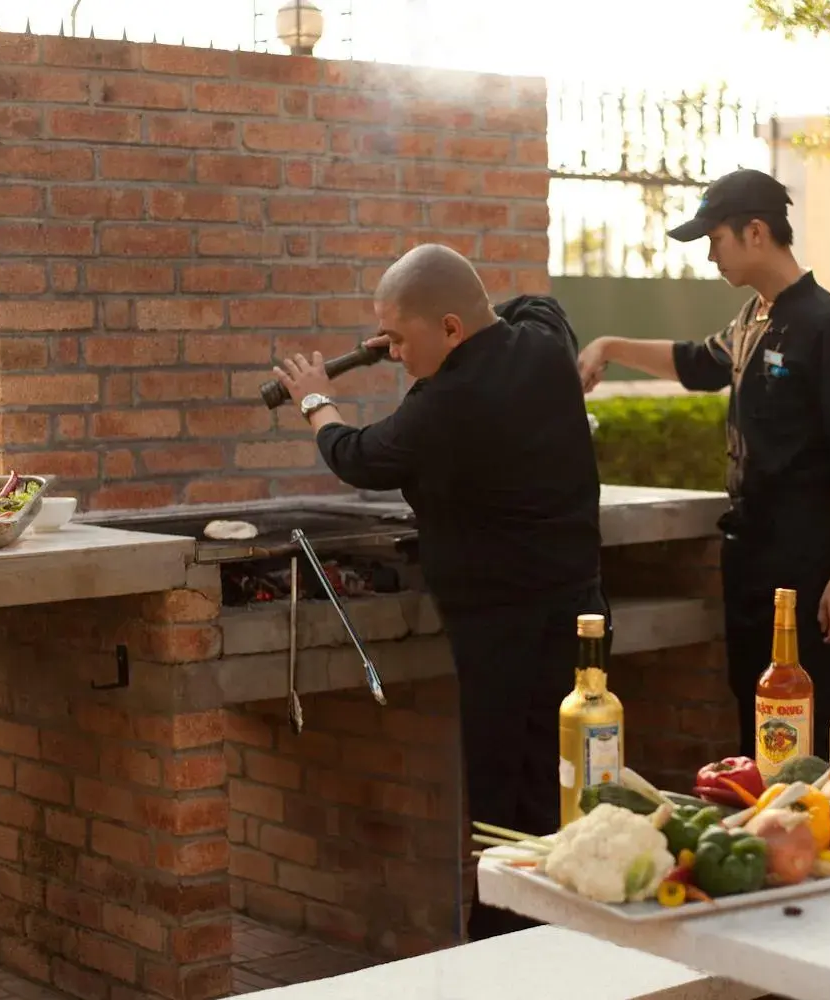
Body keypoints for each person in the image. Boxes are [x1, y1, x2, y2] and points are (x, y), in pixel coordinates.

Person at [270, 243, 606, 941]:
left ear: (450, 329)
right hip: (581, 614)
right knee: (565, 777)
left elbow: (359, 455)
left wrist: (315, 400)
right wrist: (410, 326)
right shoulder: (544, 349)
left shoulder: (447, 403)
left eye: (399, 339)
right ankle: (567, 931)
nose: (392, 353)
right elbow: (534, 307)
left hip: (502, 627)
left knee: (502, 794)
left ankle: (499, 944)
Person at [577, 168, 830, 761]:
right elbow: (696, 363)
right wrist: (609, 347)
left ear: (754, 232)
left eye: (714, 240)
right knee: (756, 710)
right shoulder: (753, 319)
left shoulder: (829, 327)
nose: (710, 256)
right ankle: (771, 837)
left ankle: (827, 834)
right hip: (749, 556)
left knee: (812, 719)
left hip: (808, 560)